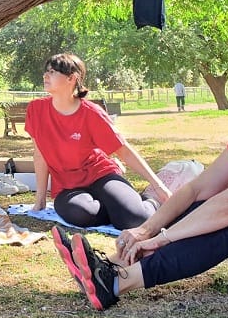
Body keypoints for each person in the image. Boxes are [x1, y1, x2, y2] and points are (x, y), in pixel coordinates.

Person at [52, 54, 228, 310]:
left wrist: (163, 239)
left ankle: (115, 283)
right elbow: (197, 189)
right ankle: (108, 267)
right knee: (196, 207)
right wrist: (146, 230)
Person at [26, 53, 170, 230]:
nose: (45, 75)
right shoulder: (36, 110)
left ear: (72, 78)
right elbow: (40, 156)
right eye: (46, 71)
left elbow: (123, 150)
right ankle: (119, 208)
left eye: (53, 71)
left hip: (101, 175)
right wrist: (40, 200)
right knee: (80, 213)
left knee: (135, 220)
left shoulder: (91, 113)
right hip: (68, 187)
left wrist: (159, 185)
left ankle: (149, 201)